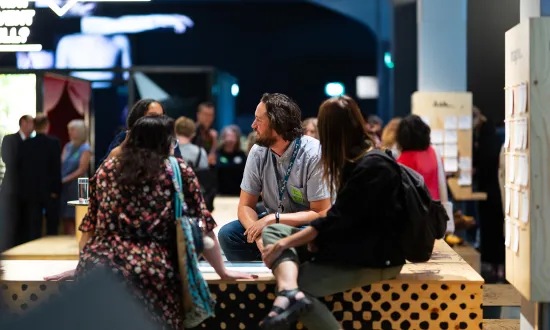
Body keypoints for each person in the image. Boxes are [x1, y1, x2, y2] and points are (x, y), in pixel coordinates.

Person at [44, 115, 254, 329]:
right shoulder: (177, 171)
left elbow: (89, 226)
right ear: (165, 141)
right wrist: (222, 271)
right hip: (155, 271)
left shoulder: (106, 170)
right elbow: (204, 227)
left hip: (100, 270)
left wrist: (82, 265)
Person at [260, 95, 404, 330]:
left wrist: (283, 245)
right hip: (351, 246)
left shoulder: (373, 166)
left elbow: (339, 218)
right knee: (274, 230)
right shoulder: (353, 160)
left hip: (375, 258)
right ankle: (290, 292)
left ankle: (289, 292)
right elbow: (340, 218)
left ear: (330, 132)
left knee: (298, 284)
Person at [218, 93, 331, 262]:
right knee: (229, 235)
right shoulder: (258, 151)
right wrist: (257, 235)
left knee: (311, 237)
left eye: (258, 120)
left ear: (277, 123)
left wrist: (274, 219)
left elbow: (321, 212)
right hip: (271, 225)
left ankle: (282, 264)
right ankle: (272, 264)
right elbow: (245, 205)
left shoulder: (314, 153)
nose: (253, 125)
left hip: (303, 226)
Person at [18, 115, 62, 240]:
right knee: (52, 225)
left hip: (30, 191)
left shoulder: (25, 144)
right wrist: (56, 190)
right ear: (47, 126)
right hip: (49, 191)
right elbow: (56, 168)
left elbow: (22, 170)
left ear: (34, 126)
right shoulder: (54, 143)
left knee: (33, 225)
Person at [99, 99, 181, 164]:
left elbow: (179, 167)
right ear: (139, 118)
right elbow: (103, 168)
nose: (158, 120)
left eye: (161, 116)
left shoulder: (169, 140)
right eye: (153, 116)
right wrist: (124, 145)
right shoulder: (125, 137)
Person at [0, 115, 34, 248]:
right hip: (11, 189)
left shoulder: (33, 142)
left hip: (28, 191)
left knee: (25, 224)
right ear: (24, 123)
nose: (33, 125)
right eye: (31, 122)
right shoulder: (10, 139)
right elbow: (8, 159)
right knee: (10, 222)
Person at [59, 119, 91, 235]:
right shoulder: (67, 147)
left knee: (77, 215)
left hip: (79, 185)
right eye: (69, 130)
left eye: (73, 130)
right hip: (65, 186)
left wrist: (65, 179)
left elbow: (82, 170)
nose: (70, 133)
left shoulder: (86, 148)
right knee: (65, 216)